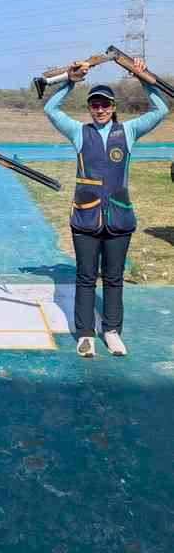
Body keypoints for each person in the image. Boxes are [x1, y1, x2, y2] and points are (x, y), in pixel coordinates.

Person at [44, 59, 169, 357]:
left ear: (113, 107)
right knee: (86, 278)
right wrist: (70, 80)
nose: (100, 109)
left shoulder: (129, 131)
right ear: (89, 107)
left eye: (105, 104)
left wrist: (142, 77)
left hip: (119, 217)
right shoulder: (78, 132)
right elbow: (50, 109)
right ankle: (85, 334)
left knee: (114, 279)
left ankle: (111, 331)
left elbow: (161, 109)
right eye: (94, 104)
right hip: (85, 218)